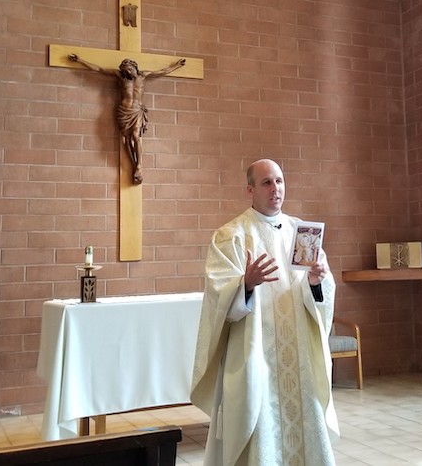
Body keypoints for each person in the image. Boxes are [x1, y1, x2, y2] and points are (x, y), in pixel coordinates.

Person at [190, 159, 339, 466]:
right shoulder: (231, 236)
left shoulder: (304, 235)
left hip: (298, 360)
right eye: (267, 183)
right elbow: (218, 299)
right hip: (255, 356)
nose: (276, 189)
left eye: (280, 181)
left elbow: (322, 298)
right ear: (250, 190)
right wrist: (245, 283)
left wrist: (315, 282)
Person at [67, 54, 186, 185]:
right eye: (125, 70)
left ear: (135, 67)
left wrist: (176, 66)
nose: (127, 72)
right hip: (124, 112)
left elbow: (163, 71)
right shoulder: (120, 77)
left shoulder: (143, 76)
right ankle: (135, 166)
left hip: (136, 111)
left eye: (129, 69)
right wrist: (80, 60)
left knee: (136, 135)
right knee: (126, 140)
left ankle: (139, 165)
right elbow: (99, 69)